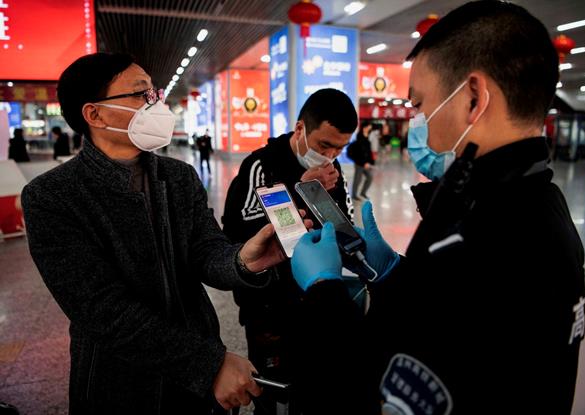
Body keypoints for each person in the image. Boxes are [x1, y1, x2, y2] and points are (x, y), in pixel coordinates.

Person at [288, 2, 585, 414]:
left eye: (420, 104)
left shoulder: (488, 233)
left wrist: (324, 290)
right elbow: (450, 327)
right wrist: (397, 275)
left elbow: (378, 378)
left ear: (474, 97)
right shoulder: (534, 199)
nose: (421, 117)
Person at [21, 53, 311, 415]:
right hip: (122, 384)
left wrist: (242, 261)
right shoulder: (52, 197)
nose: (154, 103)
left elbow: (205, 250)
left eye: (153, 94)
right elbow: (102, 311)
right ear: (94, 114)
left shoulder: (178, 177)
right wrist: (209, 365)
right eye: (140, 95)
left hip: (198, 377)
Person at [221, 88, 357, 415]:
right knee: (270, 387)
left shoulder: (333, 174)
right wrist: (301, 189)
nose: (331, 156)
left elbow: (342, 224)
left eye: (341, 148)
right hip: (268, 303)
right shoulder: (261, 165)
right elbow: (243, 229)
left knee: (309, 383)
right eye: (325, 145)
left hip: (313, 298)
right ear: (300, 129)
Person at [347, 121, 374, 201]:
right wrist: (363, 162)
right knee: (357, 179)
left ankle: (363, 192)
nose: (370, 128)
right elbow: (359, 153)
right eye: (369, 127)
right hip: (359, 163)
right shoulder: (359, 138)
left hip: (366, 163)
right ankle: (354, 195)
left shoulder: (367, 137)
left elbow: (368, 151)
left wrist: (370, 162)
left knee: (370, 177)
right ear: (364, 127)